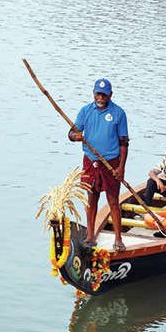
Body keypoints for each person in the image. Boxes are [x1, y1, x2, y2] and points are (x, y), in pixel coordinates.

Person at [68, 78, 128, 251]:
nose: (100, 97)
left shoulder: (118, 113)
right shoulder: (85, 111)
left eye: (104, 94)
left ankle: (118, 238)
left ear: (110, 94)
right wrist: (75, 136)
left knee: (113, 200)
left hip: (111, 162)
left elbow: (124, 143)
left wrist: (121, 168)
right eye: (97, 93)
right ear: (94, 93)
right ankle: (90, 236)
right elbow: (71, 132)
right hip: (90, 161)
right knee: (91, 198)